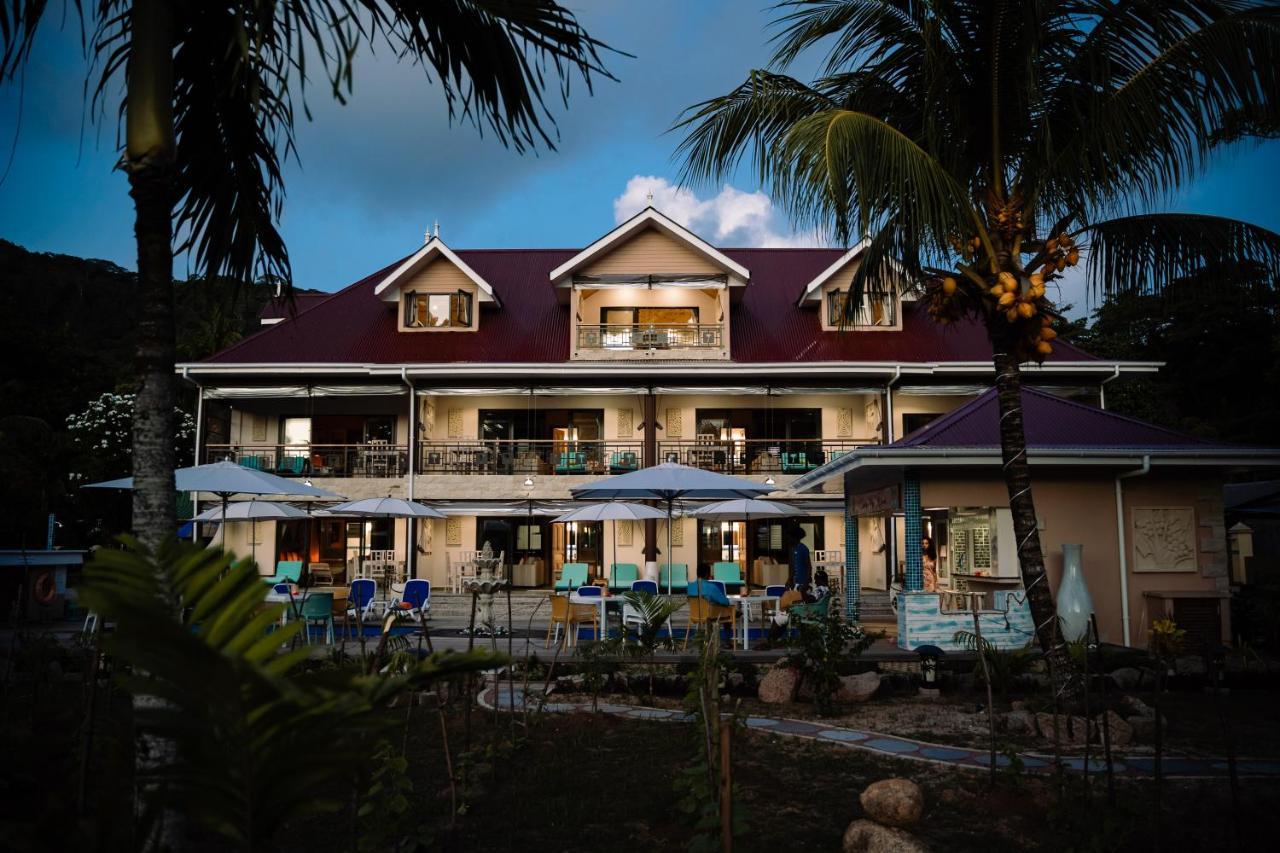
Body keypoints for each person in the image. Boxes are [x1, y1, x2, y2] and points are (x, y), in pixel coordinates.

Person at [787, 523, 812, 590]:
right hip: (794, 582)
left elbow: (809, 566)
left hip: (802, 582)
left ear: (794, 537)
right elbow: (792, 566)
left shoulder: (803, 548)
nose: (788, 539)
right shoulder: (791, 549)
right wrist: (789, 579)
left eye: (789, 537)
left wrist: (806, 582)